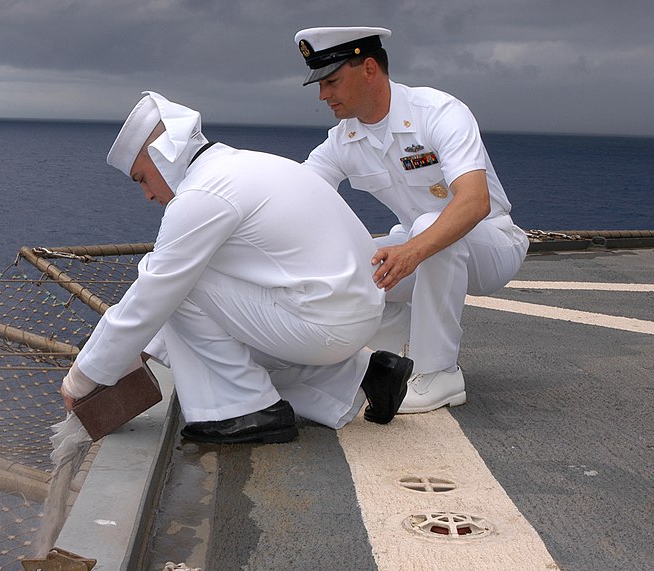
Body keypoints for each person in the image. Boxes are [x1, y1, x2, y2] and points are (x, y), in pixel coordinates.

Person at [59, 91, 414, 444]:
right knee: (201, 329)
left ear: (160, 156)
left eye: (141, 178)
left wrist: (83, 376)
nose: (148, 194)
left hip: (327, 323)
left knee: (178, 287)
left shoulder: (203, 194)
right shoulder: (245, 164)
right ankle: (366, 375)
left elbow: (153, 295)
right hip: (352, 312)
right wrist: (136, 348)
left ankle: (246, 409)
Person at [293, 27, 529, 414]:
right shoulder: (343, 139)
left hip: (493, 245)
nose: (323, 95)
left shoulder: (437, 113)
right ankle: (408, 344)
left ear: (368, 68)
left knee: (424, 229)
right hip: (423, 247)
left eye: (331, 81)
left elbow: (474, 202)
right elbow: (296, 195)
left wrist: (411, 252)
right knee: (344, 270)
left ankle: (439, 374)